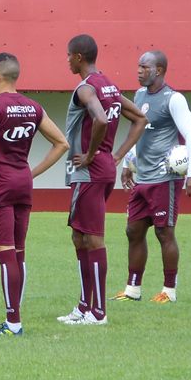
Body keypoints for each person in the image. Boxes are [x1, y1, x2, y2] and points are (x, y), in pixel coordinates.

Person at [0, 53, 69, 336]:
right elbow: (62, 143)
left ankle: (13, 322)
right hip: (23, 184)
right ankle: (15, 318)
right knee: (19, 253)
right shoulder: (33, 107)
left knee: (5, 254)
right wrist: (32, 173)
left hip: (0, 184)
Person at [58, 34, 146, 326]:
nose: (67, 60)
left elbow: (101, 119)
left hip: (89, 172)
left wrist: (91, 154)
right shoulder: (109, 85)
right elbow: (140, 119)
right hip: (102, 169)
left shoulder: (86, 88)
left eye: (69, 55)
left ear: (79, 58)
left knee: (92, 238)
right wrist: (117, 154)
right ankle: (84, 306)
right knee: (79, 235)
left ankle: (98, 313)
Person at [113, 50, 191, 304]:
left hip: (165, 178)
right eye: (138, 66)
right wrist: (129, 162)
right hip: (143, 178)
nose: (139, 71)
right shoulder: (139, 96)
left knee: (164, 233)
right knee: (133, 231)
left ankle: (169, 291)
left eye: (145, 67)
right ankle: (132, 289)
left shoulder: (174, 99)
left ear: (159, 70)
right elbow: (137, 131)